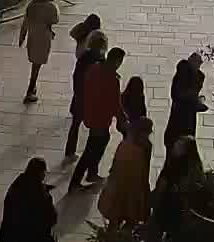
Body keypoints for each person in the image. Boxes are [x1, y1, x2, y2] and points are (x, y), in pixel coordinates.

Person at [69, 46, 126, 191]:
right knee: (91, 148)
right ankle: (77, 181)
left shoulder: (94, 68)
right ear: (116, 61)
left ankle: (92, 172)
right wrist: (121, 118)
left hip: (91, 113)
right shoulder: (111, 78)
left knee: (100, 141)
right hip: (101, 117)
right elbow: (115, 102)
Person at [96, 115, 152, 228]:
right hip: (128, 187)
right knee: (127, 216)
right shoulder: (138, 148)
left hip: (122, 186)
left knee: (118, 216)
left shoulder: (127, 145)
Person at [65, 28, 109, 159]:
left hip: (81, 97)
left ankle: (70, 151)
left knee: (75, 125)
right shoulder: (99, 60)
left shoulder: (85, 57)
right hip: (90, 99)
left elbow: (76, 77)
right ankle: (88, 154)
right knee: (92, 129)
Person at [151, 137, 204, 242]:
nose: (174, 147)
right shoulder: (195, 167)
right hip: (179, 207)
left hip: (170, 205)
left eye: (178, 146)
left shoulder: (175, 165)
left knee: (159, 229)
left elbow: (163, 185)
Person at [0, 157, 57, 242]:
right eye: (44, 172)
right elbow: (52, 219)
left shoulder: (15, 186)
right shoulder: (43, 196)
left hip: (9, 236)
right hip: (32, 238)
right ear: (41, 173)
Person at [18, 0, 58, 104]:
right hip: (44, 38)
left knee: (35, 64)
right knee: (37, 65)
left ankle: (32, 87)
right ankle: (30, 89)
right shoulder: (51, 7)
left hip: (32, 38)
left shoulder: (31, 7)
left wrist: (22, 37)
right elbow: (55, 20)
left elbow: (25, 24)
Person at [164, 53, 205, 146]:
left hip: (188, 113)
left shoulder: (199, 76)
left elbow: (194, 92)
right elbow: (177, 94)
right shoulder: (183, 73)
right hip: (180, 113)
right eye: (198, 63)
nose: (199, 66)